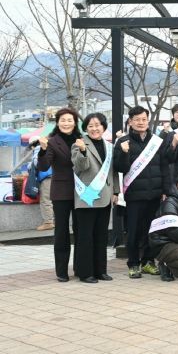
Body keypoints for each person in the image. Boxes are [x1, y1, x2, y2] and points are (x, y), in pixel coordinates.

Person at [114, 106, 169, 279]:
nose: (140, 122)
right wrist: (124, 153)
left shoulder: (157, 141)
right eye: (136, 119)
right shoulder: (123, 141)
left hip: (154, 195)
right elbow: (119, 168)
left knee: (151, 231)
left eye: (144, 119)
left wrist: (165, 190)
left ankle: (148, 262)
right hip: (134, 196)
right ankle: (133, 264)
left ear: (148, 120)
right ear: (130, 122)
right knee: (133, 232)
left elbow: (164, 167)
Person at [71, 113, 118, 283]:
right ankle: (85, 272)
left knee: (101, 236)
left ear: (104, 127)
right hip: (87, 196)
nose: (94, 128)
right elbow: (80, 166)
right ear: (85, 128)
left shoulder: (109, 146)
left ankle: (100, 270)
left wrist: (116, 191)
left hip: (105, 196)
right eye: (90, 126)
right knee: (85, 237)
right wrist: (83, 150)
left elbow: (112, 171)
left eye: (97, 125)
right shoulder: (78, 144)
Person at [37, 108, 82, 282]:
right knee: (62, 232)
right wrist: (43, 150)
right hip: (61, 192)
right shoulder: (51, 141)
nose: (66, 123)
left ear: (75, 122)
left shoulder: (81, 139)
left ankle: (81, 267)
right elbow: (44, 166)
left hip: (82, 192)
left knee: (81, 231)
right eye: (63, 120)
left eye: (70, 120)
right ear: (57, 122)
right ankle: (62, 271)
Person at [29, 135, 55, 231]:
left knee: (46, 200)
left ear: (32, 145)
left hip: (47, 176)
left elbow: (36, 163)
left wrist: (29, 166)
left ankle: (48, 222)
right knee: (54, 200)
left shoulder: (38, 148)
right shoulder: (50, 147)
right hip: (55, 175)